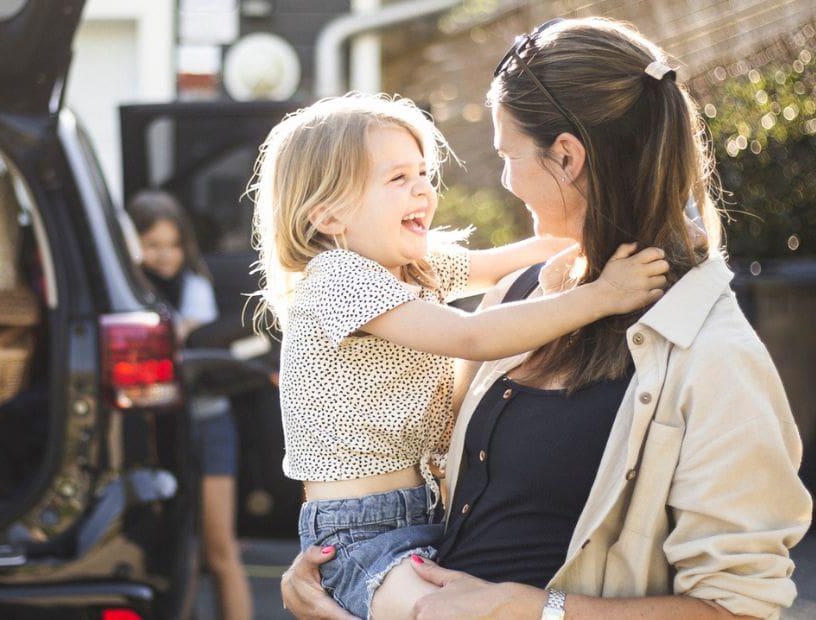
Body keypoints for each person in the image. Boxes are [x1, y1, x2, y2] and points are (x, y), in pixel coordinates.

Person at [280, 17, 811, 620]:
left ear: (566, 156)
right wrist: (336, 592)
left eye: (508, 155)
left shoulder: (711, 351)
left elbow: (740, 608)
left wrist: (538, 609)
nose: (502, 180)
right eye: (399, 179)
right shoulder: (516, 297)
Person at [250, 91, 670, 619]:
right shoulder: (337, 279)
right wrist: (604, 295)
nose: (423, 189)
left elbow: (505, 262)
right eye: (397, 179)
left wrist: (620, 232)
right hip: (360, 534)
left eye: (423, 173)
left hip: (430, 514)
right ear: (329, 215)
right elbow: (473, 336)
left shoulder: (413, 268)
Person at [128, 189, 253, 620]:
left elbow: (182, 340)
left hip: (207, 423)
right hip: (152, 435)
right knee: (172, 556)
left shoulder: (194, 285)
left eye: (173, 246)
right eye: (153, 245)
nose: (165, 256)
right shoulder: (128, 290)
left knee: (220, 552)